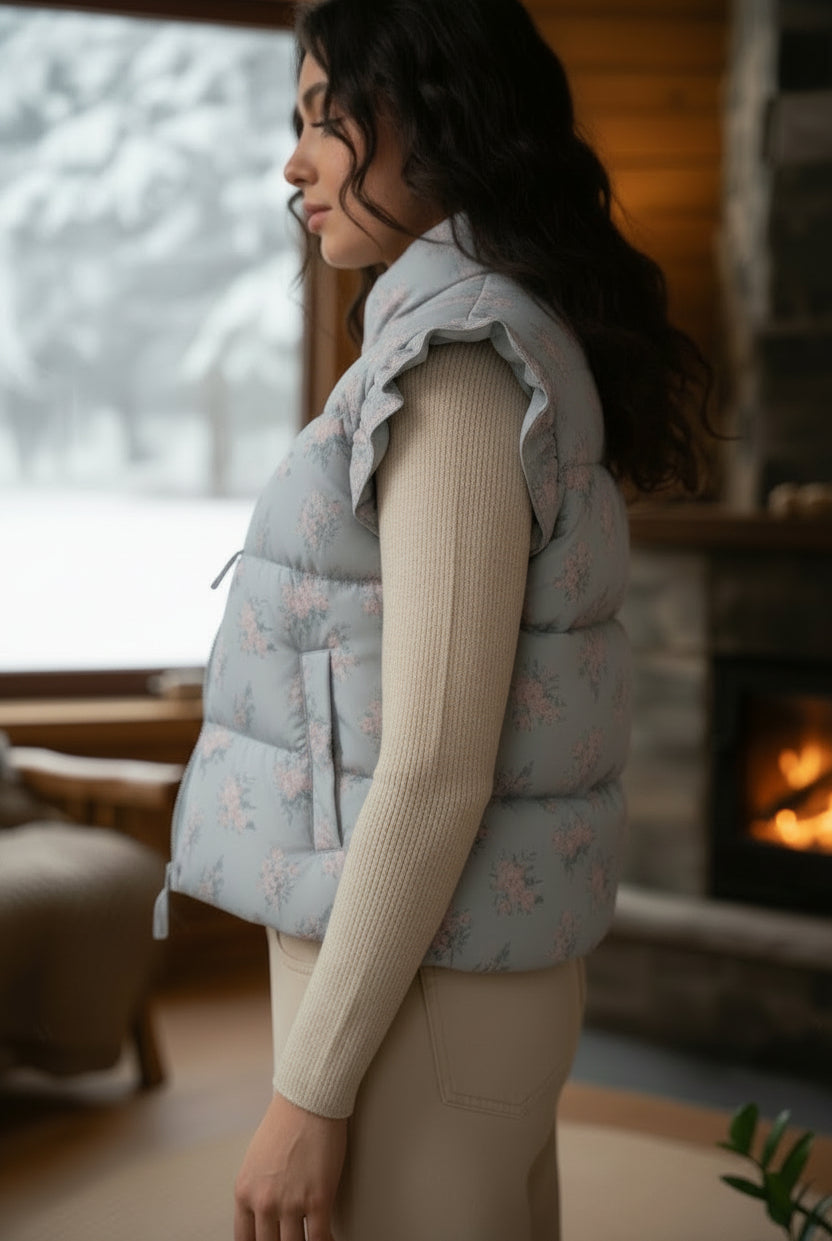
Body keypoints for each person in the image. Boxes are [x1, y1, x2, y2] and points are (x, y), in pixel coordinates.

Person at [154, 1, 711, 1238]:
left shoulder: (455, 362)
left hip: (422, 988)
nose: (293, 161)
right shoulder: (476, 328)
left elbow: (435, 766)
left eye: (321, 116)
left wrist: (307, 1090)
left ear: (431, 117)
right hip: (446, 976)